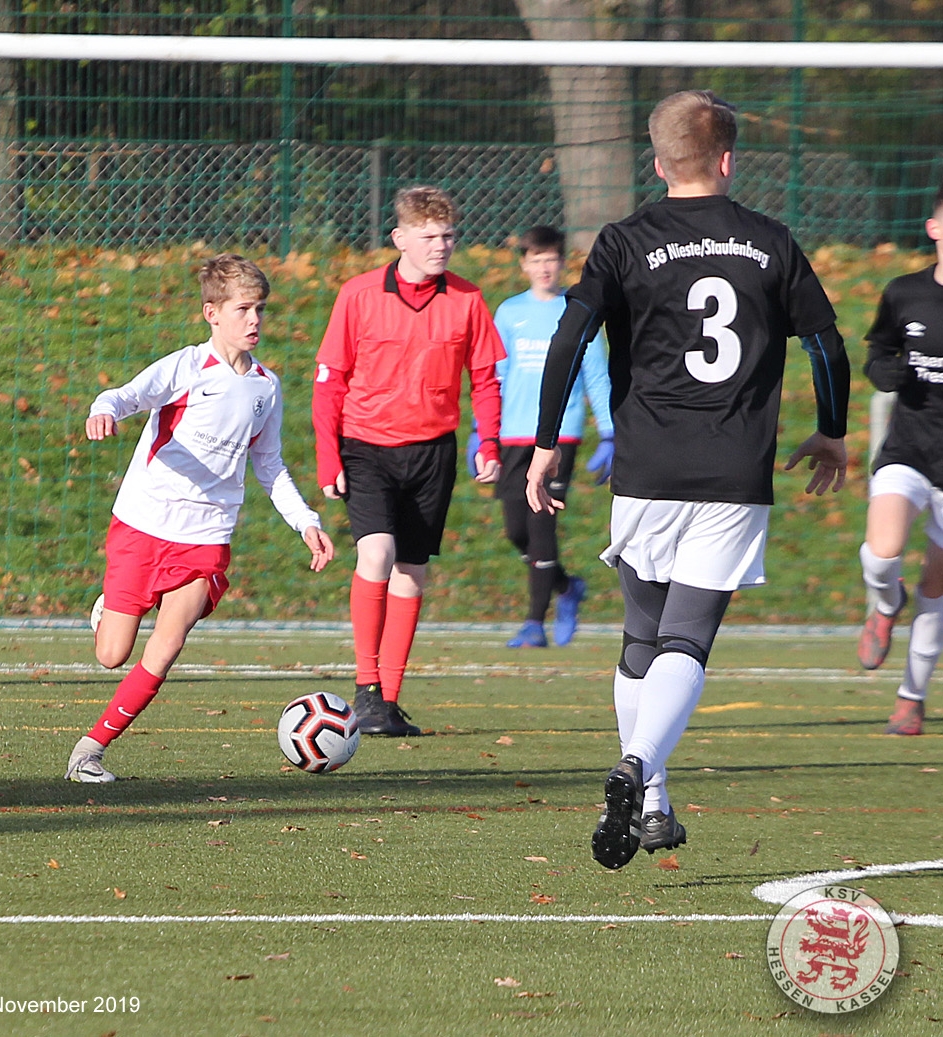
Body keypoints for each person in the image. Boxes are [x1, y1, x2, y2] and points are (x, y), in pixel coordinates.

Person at [526, 90, 849, 870]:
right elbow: (825, 346)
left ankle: (653, 800)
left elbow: (570, 337)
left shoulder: (624, 240)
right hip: (732, 471)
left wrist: (543, 444)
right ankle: (638, 768)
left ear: (658, 162)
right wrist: (831, 431)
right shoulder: (769, 242)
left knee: (641, 637)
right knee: (687, 639)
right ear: (727, 159)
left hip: (646, 469)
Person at [67, 254, 334, 782]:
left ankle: (89, 751)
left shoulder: (266, 387)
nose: (254, 320)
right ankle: (107, 612)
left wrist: (305, 521)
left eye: (260, 309)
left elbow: (269, 464)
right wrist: (103, 411)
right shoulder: (186, 368)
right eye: (243, 309)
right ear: (212, 313)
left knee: (167, 646)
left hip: (206, 535)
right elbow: (125, 395)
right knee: (112, 655)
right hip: (144, 522)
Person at [312, 185, 504, 737]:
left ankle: (388, 701)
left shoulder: (467, 299)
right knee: (377, 553)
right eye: (429, 236)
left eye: (448, 236)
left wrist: (488, 442)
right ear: (400, 238)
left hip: (432, 452)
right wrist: (328, 457)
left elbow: (485, 379)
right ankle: (365, 687)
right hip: (366, 447)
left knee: (412, 572)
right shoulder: (359, 295)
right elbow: (329, 383)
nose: (441, 245)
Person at [488, 225, 615, 648]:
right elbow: (497, 375)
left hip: (561, 436)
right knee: (516, 530)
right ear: (524, 265)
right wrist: (482, 431)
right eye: (536, 260)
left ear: (563, 263)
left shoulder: (578, 309)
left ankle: (533, 623)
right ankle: (566, 586)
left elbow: (596, 375)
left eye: (551, 260)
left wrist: (609, 433)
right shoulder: (509, 313)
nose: (545, 268)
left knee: (542, 527)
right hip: (513, 434)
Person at [853, 185, 943, 736]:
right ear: (934, 229)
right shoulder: (905, 292)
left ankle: (911, 698)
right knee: (883, 554)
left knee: (937, 586)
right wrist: (884, 370)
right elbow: (879, 351)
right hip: (908, 452)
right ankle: (886, 605)